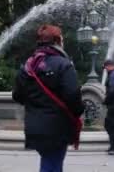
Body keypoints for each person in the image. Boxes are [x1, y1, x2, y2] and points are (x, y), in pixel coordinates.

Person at [12, 25, 84, 172]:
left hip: (34, 126)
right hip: (56, 127)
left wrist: (36, 103)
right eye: (61, 38)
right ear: (58, 41)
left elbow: (17, 95)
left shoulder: (28, 65)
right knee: (52, 165)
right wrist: (79, 111)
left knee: (50, 162)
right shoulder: (63, 64)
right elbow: (73, 95)